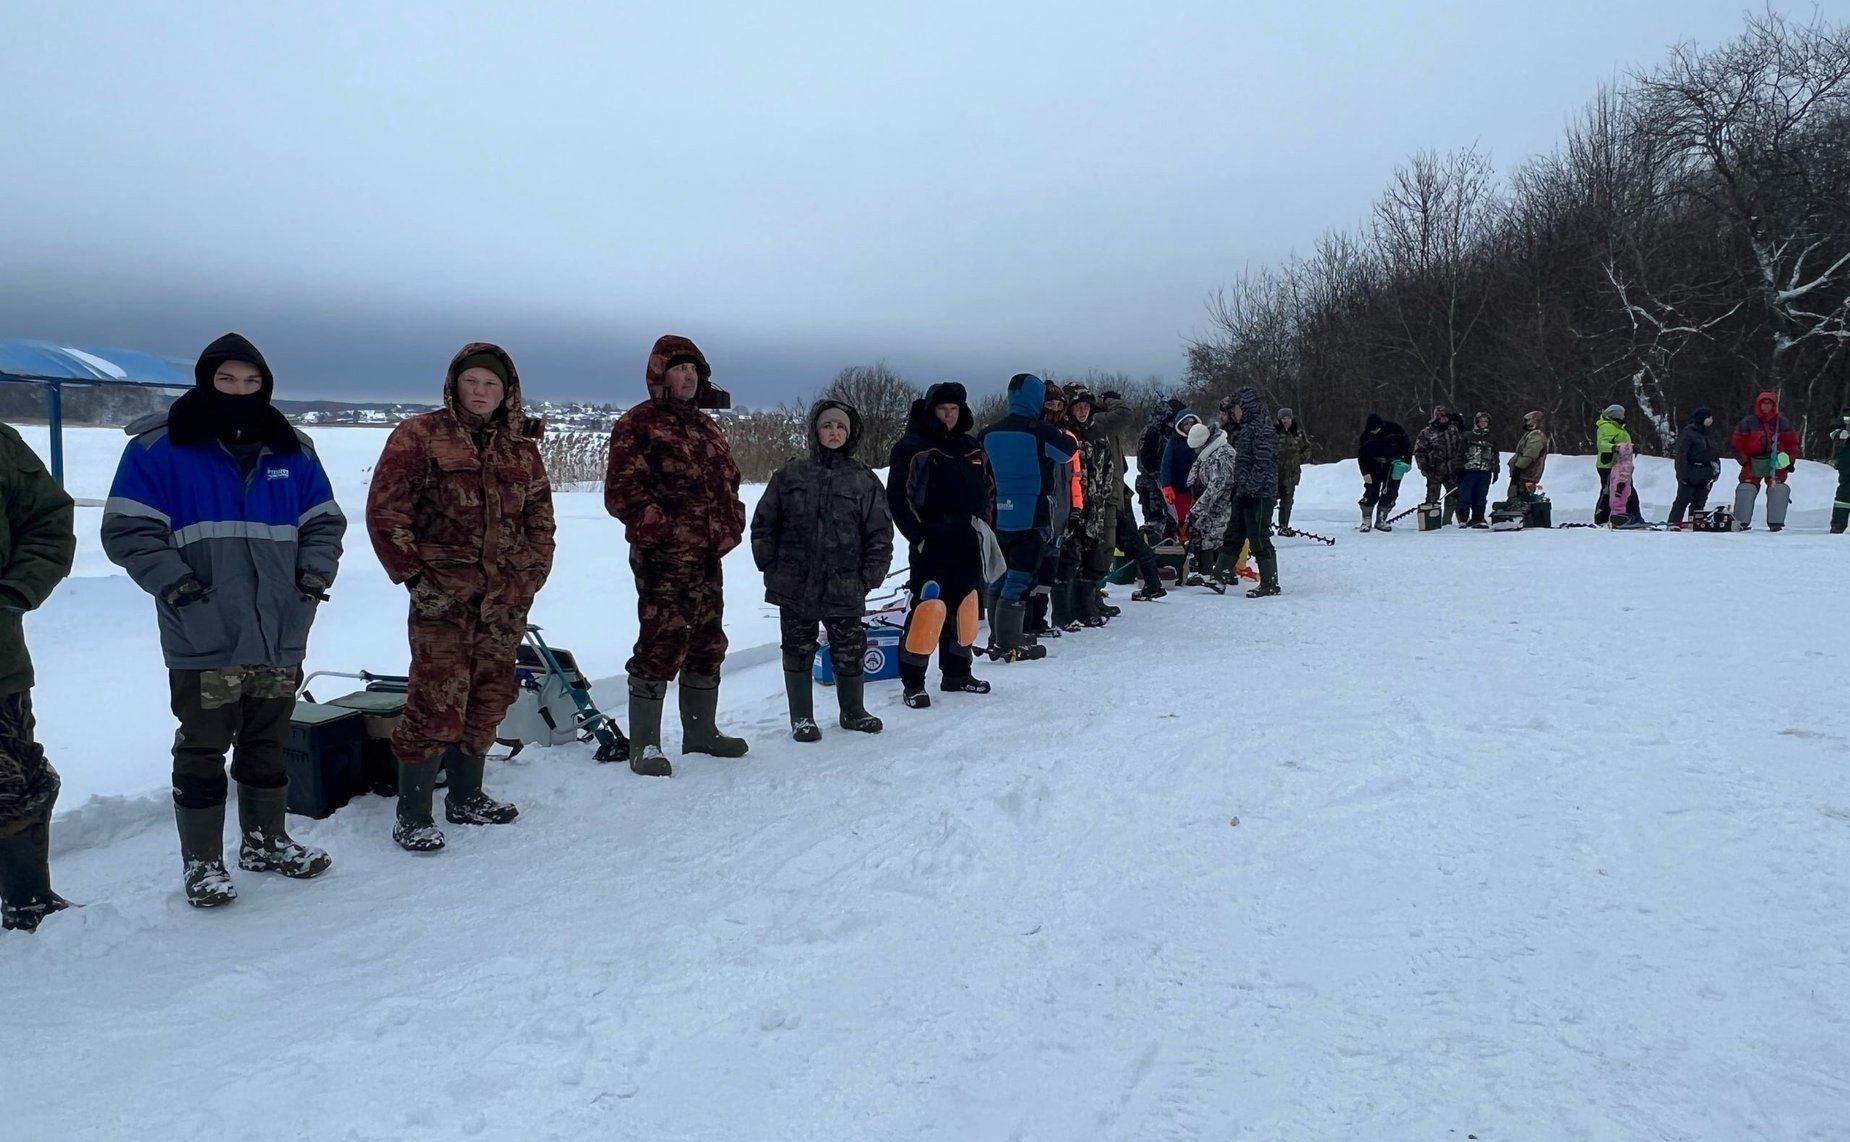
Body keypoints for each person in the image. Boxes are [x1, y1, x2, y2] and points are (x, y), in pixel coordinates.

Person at [102, 333, 345, 907]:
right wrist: (179, 587)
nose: (240, 390)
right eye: (227, 379)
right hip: (202, 628)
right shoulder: (159, 449)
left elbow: (323, 524)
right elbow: (128, 531)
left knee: (268, 740)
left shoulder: (293, 450)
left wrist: (311, 581)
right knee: (203, 746)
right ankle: (203, 863)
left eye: (251, 381)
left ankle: (265, 841)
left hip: (280, 628)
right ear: (206, 381)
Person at [365, 343, 555, 852]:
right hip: (443, 597)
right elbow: (387, 511)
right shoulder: (419, 435)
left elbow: (540, 517)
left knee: (490, 696)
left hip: (506, 597)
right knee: (435, 699)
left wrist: (533, 573)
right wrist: (416, 579)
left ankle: (467, 796)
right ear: (454, 384)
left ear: (506, 391)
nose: (480, 391)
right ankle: (413, 814)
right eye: (472, 381)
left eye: (491, 384)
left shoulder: (520, 447)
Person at [605, 336, 748, 775]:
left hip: (708, 556)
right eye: (679, 369)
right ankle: (644, 747)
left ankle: (701, 734)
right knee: (661, 643)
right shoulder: (638, 424)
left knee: (707, 642)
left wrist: (731, 521)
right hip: (663, 558)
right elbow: (622, 493)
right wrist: (664, 532)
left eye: (693, 370)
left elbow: (730, 482)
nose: (688, 377)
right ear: (660, 375)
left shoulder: (707, 427)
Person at [751, 400, 894, 741]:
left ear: (850, 433)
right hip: (794, 583)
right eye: (827, 426)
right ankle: (802, 718)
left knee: (849, 649)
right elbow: (764, 523)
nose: (834, 432)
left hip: (845, 583)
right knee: (797, 648)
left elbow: (880, 534)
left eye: (840, 427)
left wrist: (868, 578)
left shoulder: (863, 480)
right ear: (816, 431)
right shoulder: (790, 474)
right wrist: (770, 566)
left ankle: (853, 711)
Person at [0, 423, 76, 933]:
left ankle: (27, 901)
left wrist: (15, 593)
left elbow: (49, 522)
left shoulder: (3, 446)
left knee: (13, 777)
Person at [887, 383, 995, 708]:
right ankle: (913, 683)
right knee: (929, 609)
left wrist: (985, 526)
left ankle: (958, 673)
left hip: (967, 536)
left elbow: (990, 490)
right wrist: (919, 536)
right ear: (931, 411)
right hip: (931, 538)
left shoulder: (971, 446)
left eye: (954, 409)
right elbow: (898, 497)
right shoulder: (911, 447)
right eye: (943, 409)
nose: (949, 415)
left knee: (966, 607)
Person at [978, 373, 1077, 662]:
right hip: (1033, 514)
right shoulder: (1040, 431)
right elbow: (1067, 452)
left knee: (999, 575)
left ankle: (998, 637)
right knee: (1019, 578)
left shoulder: (988, 433)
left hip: (999, 514)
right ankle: (1011, 642)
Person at [1069, 385, 1164, 606]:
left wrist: (1103, 401)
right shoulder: (1104, 424)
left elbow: (1124, 413)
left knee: (1105, 545)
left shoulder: (1100, 421)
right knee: (1120, 542)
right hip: (1115, 492)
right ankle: (1151, 583)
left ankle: (1095, 597)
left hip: (1110, 494)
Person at [1222, 387, 1282, 597]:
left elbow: (1262, 464)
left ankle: (1270, 582)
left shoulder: (1262, 428)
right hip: (1243, 491)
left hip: (1260, 494)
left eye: (1235, 407)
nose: (1233, 412)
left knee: (1258, 537)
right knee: (1233, 534)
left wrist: (1251, 490)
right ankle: (1219, 576)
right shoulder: (1246, 428)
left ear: (1244, 406)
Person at [1730, 390, 1801, 531]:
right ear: (1759, 404)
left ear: (1774, 405)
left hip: (1777, 462)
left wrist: (1789, 460)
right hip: (1752, 461)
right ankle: (1741, 521)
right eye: (1764, 403)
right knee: (1746, 488)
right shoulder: (1747, 422)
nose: (1766, 406)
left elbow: (1792, 443)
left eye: (1769, 403)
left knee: (1778, 489)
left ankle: (1776, 522)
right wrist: (1743, 459)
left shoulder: (1783, 423)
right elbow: (1737, 442)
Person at [1136, 398, 1186, 540]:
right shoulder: (1152, 433)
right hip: (1152, 486)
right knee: (1155, 523)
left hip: (1165, 485)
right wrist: (1160, 476)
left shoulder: (1167, 433)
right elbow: (1146, 462)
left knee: (1170, 523)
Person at [1356, 413, 1413, 531]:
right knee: (1371, 492)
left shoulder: (1395, 429)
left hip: (1394, 464)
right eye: (1372, 430)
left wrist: (1407, 462)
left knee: (1391, 492)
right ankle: (1366, 519)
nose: (1374, 432)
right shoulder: (1365, 437)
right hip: (1373, 465)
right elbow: (1362, 457)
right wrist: (1365, 473)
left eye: (1376, 429)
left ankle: (1381, 518)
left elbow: (1407, 446)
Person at [1668, 407, 1720, 529]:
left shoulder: (1709, 434)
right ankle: (1674, 523)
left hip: (1706, 473)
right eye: (1709, 417)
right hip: (1691, 471)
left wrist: (1715, 472)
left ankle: (1695, 524)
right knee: (1682, 499)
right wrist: (1682, 474)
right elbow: (1681, 454)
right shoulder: (1688, 433)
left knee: (1700, 501)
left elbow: (1715, 455)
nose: (1711, 419)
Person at [1414, 404, 1466, 522]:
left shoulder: (1453, 430)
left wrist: (1459, 465)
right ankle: (1431, 521)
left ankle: (1447, 521)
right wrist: (1424, 467)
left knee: (1453, 496)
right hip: (1434, 470)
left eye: (1445, 416)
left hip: (1452, 470)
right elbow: (1419, 452)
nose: (1443, 419)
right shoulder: (1426, 432)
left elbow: (1460, 448)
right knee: (1432, 497)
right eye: (1440, 416)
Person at [1594, 404, 1640, 525]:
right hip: (1609, 465)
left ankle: (1628, 515)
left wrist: (1631, 448)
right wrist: (1614, 447)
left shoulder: (1618, 427)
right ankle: (1602, 518)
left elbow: (1623, 442)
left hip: (1622, 465)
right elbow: (1602, 444)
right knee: (1609, 491)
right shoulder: (1607, 427)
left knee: (1625, 491)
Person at [1162, 409, 1202, 543]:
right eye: (1186, 424)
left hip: (1197, 488)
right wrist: (1166, 485)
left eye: (1192, 423)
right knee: (1181, 518)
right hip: (1179, 489)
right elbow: (1165, 465)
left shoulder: (1201, 440)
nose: (1189, 427)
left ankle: (1195, 542)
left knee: (1196, 518)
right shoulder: (1174, 442)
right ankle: (1181, 540)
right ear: (1179, 426)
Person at [1274, 407, 1313, 535]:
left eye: (1288, 418)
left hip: (1291, 475)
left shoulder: (1298, 434)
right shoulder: (1273, 433)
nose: (1286, 421)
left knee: (1287, 502)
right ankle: (1266, 526)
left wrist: (1299, 459)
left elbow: (1307, 448)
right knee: (1270, 501)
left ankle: (1283, 526)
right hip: (1275, 474)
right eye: (1283, 418)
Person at [1458, 412, 1499, 528]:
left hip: (1485, 471)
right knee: (1466, 495)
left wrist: (1496, 470)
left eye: (1486, 421)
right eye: (1481, 421)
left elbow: (1495, 455)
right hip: (1469, 470)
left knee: (1481, 496)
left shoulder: (1492, 437)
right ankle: (1463, 518)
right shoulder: (1468, 435)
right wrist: (1459, 468)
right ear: (1476, 422)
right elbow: (1460, 452)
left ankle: (1478, 517)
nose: (1483, 423)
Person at [1507, 410, 1549, 500]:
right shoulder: (1530, 434)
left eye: (1528, 420)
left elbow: (1530, 454)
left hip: (1527, 474)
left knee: (1522, 499)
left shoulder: (1536, 435)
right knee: (1515, 497)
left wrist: (1518, 467)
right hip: (1522, 474)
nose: (1526, 423)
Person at [1830, 409, 1850, 535]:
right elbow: (1833, 432)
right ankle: (1838, 524)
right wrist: (1840, 433)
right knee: (1844, 493)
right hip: (1848, 459)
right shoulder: (1847, 413)